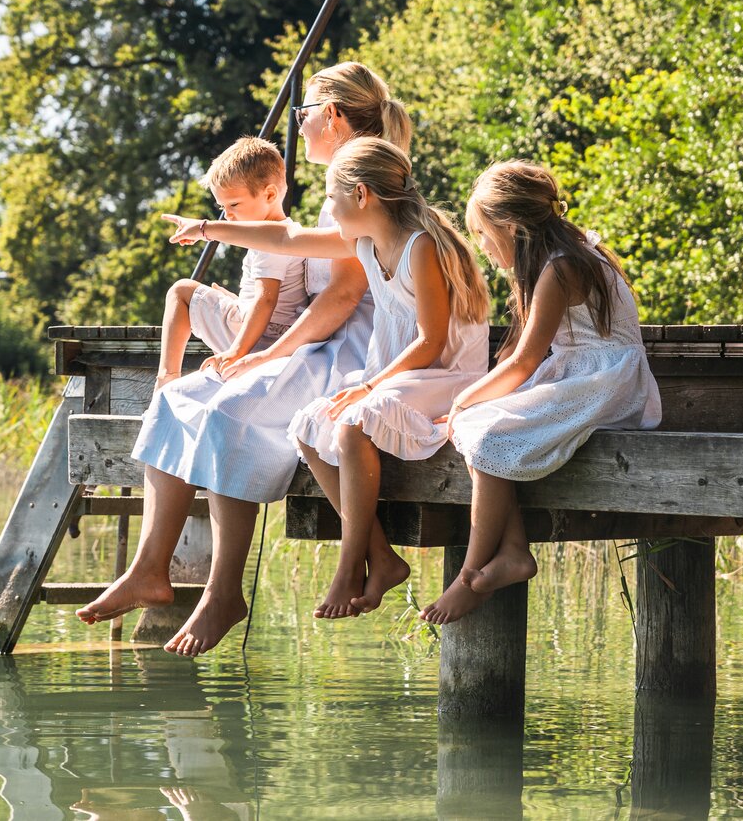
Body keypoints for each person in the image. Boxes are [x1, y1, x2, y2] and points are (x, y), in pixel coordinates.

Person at [75, 62, 413, 655]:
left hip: (350, 352)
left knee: (232, 409)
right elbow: (293, 257)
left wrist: (267, 355)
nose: (299, 124)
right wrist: (212, 231)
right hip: (320, 340)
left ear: (330, 115)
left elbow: (342, 296)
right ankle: (150, 567)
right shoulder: (343, 180)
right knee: (178, 395)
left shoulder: (359, 183)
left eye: (303, 113)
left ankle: (222, 591)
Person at [167, 137, 490, 619]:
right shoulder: (365, 242)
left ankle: (348, 566)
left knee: (351, 420)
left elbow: (431, 341)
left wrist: (370, 385)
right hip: (401, 374)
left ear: (361, 196)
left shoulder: (418, 246)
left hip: (442, 373)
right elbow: (284, 239)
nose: (330, 211)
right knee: (308, 423)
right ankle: (380, 559)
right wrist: (209, 228)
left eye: (333, 199)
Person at [419, 160, 663, 625]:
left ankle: (470, 574)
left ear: (510, 226)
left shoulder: (562, 267)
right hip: (584, 373)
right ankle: (512, 551)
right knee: (475, 427)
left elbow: (526, 361)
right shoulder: (552, 261)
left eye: (483, 235)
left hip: (605, 380)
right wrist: (475, 402)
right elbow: (519, 347)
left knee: (486, 435)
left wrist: (461, 399)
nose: (483, 249)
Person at [155, 137, 308, 389]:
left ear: (269, 193)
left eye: (234, 204)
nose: (228, 214)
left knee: (181, 292)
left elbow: (266, 299)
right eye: (222, 206)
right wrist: (239, 302)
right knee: (210, 295)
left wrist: (237, 352)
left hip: (260, 338)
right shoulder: (292, 231)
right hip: (275, 332)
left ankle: (166, 380)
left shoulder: (270, 240)